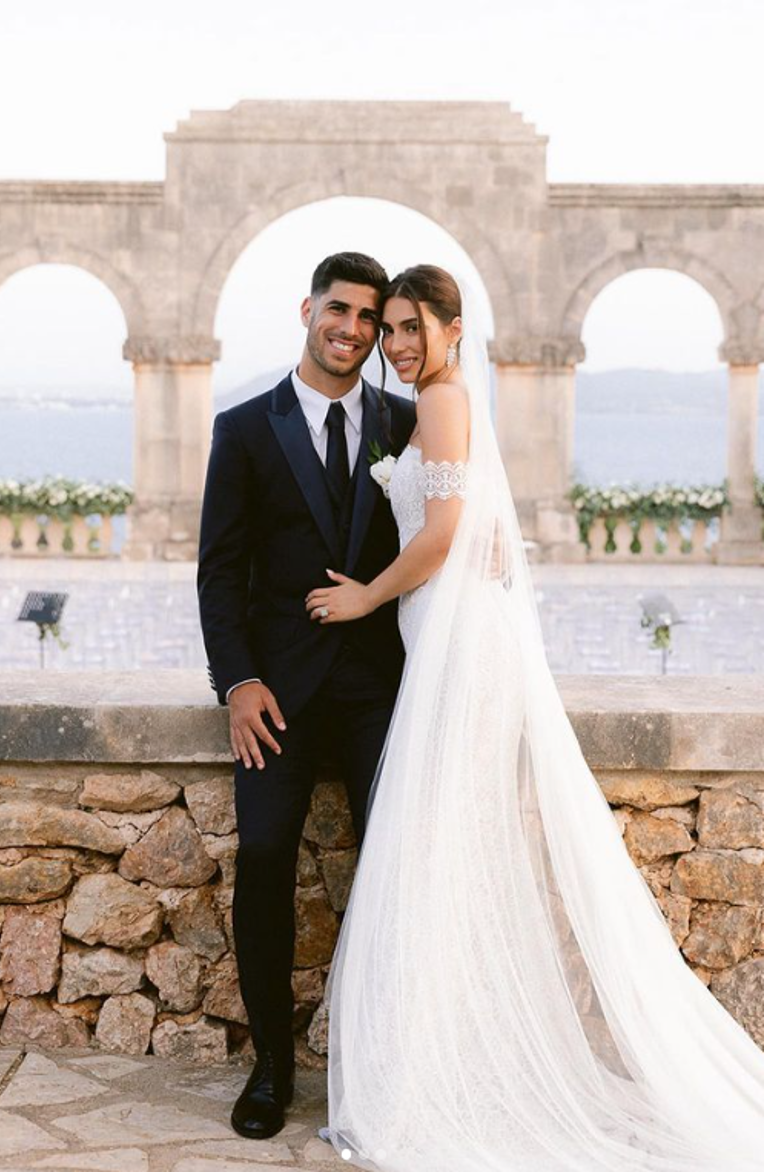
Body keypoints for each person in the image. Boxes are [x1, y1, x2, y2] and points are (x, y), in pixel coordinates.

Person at [308, 265, 764, 1172]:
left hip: (451, 646)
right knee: (456, 847)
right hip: (453, 636)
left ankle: (440, 1069)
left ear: (452, 326)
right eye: (387, 328)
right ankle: (453, 1053)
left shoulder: (438, 403)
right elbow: (485, 541)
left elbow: (441, 536)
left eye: (410, 326)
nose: (395, 343)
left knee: (440, 847)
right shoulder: (447, 398)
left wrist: (365, 601)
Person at [197, 252, 416, 1140]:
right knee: (262, 863)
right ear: (307, 310)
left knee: (394, 875)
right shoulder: (245, 427)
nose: (354, 329)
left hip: (377, 694)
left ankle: (381, 1065)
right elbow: (220, 573)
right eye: (341, 309)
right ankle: (272, 1066)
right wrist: (238, 682)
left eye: (371, 317)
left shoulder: (406, 423)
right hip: (276, 697)